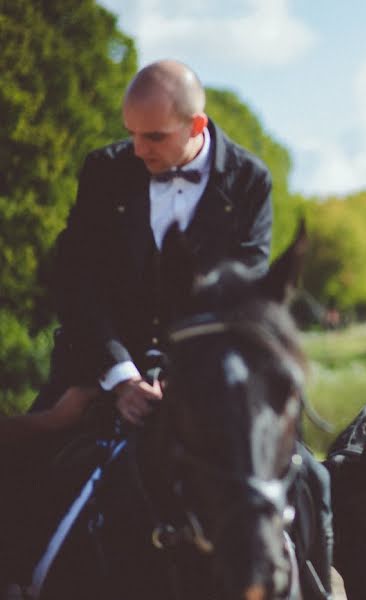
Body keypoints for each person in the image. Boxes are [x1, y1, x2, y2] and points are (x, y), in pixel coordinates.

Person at [0, 59, 274, 588]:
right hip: (94, 373)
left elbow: (242, 298)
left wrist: (181, 381)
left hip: (203, 380)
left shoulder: (251, 181)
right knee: (18, 474)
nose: (139, 150)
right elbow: (78, 284)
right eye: (130, 134)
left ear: (196, 127)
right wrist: (121, 376)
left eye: (152, 137)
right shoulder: (104, 169)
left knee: (309, 478)